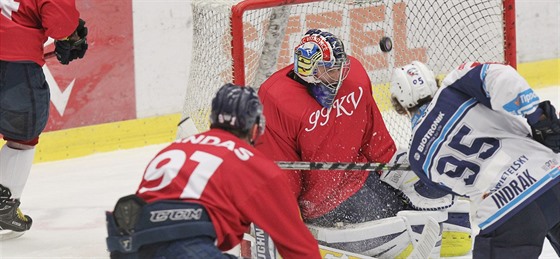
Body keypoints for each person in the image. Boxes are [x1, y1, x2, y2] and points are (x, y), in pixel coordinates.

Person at [255, 28, 470, 257]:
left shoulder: (354, 74)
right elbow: (282, 169)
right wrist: (288, 220)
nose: (339, 76)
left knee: (431, 198)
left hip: (363, 177)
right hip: (323, 203)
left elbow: (371, 133)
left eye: (341, 68)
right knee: (412, 229)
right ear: (308, 69)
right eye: (331, 71)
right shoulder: (276, 99)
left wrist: (394, 167)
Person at [105, 84, 321, 258]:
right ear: (255, 127)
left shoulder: (175, 148)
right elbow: (298, 248)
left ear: (213, 119)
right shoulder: (253, 163)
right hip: (184, 247)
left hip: (127, 246)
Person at [389, 60, 560, 258]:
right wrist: (538, 116)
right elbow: (502, 76)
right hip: (551, 178)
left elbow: (457, 191)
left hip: (506, 217)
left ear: (400, 107)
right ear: (433, 82)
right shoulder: (456, 85)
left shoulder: (417, 158)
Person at [0, 0, 88, 237]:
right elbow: (59, 22)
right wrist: (69, 35)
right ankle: (3, 206)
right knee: (23, 134)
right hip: (14, 62)